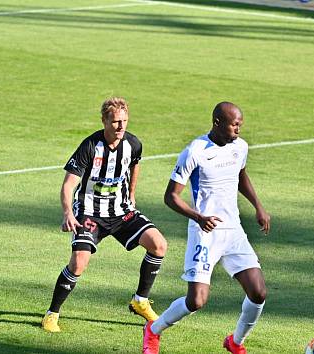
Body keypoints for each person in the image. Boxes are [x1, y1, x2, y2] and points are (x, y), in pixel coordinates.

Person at [142, 102, 271, 354]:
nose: (238, 129)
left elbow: (240, 175)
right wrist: (198, 217)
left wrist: (258, 206)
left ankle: (235, 342)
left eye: (240, 124)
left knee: (258, 292)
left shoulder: (240, 147)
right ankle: (153, 330)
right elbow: (171, 196)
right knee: (196, 301)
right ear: (217, 123)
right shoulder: (195, 152)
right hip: (205, 233)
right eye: (234, 124)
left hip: (233, 231)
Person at [42, 97, 168, 333]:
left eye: (125, 121)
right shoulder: (89, 146)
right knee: (79, 263)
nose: (121, 127)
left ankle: (140, 301)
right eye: (116, 122)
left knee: (159, 245)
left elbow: (135, 163)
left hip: (121, 212)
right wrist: (68, 213)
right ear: (104, 121)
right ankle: (51, 314)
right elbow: (69, 184)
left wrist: (132, 193)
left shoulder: (133, 144)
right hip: (90, 212)